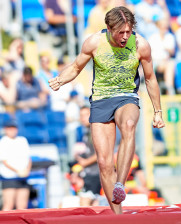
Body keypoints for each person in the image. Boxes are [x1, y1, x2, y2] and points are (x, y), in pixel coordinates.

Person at [49, 6, 165, 214]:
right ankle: (117, 215)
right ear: (109, 28)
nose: (125, 36)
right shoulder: (94, 42)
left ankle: (120, 183)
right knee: (103, 162)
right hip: (101, 100)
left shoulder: (141, 45)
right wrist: (60, 80)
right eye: (121, 32)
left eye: (129, 31)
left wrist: (158, 111)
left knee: (129, 125)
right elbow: (76, 67)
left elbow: (150, 78)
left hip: (127, 96)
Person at [72, 106, 101, 206]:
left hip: (95, 173)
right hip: (91, 173)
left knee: (84, 204)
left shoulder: (96, 131)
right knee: (94, 205)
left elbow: (102, 153)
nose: (83, 118)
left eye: (86, 115)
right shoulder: (86, 133)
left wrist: (85, 163)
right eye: (81, 116)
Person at [0, 119, 32, 211]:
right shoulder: (3, 142)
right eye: (10, 128)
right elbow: (4, 161)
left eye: (14, 128)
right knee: (8, 205)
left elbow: (28, 158)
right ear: (5, 129)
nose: (12, 130)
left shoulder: (22, 140)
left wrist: (27, 170)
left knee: (22, 207)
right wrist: (18, 171)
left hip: (22, 178)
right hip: (9, 177)